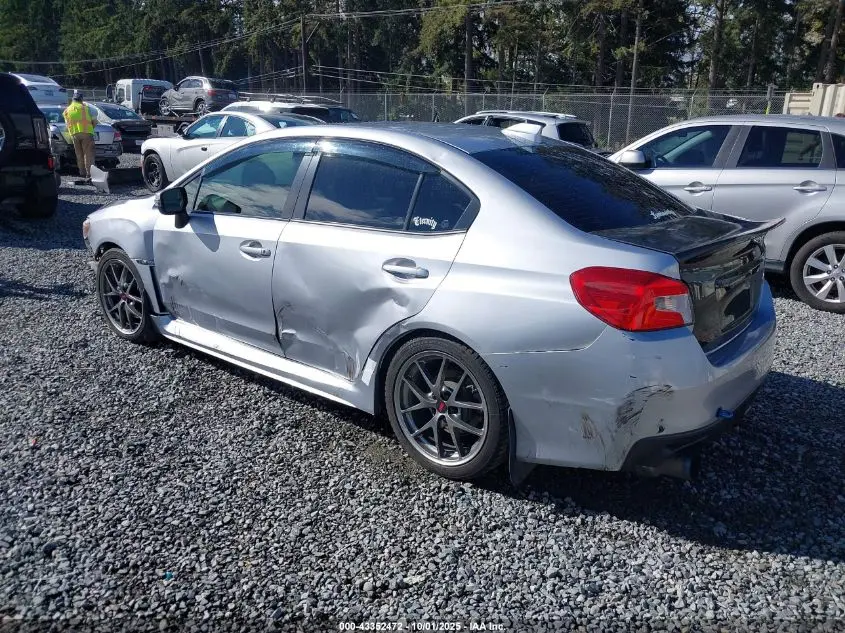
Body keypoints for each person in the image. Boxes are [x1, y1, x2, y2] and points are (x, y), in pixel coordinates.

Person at [63, 90, 98, 182]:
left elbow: (67, 125)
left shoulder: (67, 110)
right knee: (88, 154)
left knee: (79, 154)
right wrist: (91, 128)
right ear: (81, 99)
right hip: (86, 133)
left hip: (74, 134)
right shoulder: (86, 108)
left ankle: (81, 172)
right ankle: (89, 174)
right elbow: (95, 122)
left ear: (72, 100)